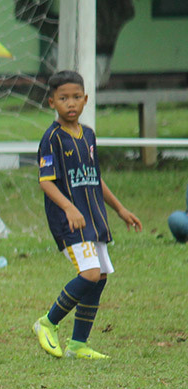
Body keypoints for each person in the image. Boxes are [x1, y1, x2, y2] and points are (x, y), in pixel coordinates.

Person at [32, 70, 142, 360]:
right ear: (51, 102)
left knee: (101, 275)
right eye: (64, 98)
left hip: (94, 219)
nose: (71, 103)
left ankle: (78, 344)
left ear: (86, 100)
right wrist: (69, 207)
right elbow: (46, 181)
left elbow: (95, 178)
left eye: (76, 97)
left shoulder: (89, 134)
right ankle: (47, 322)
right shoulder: (52, 138)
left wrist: (120, 209)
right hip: (70, 221)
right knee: (90, 273)